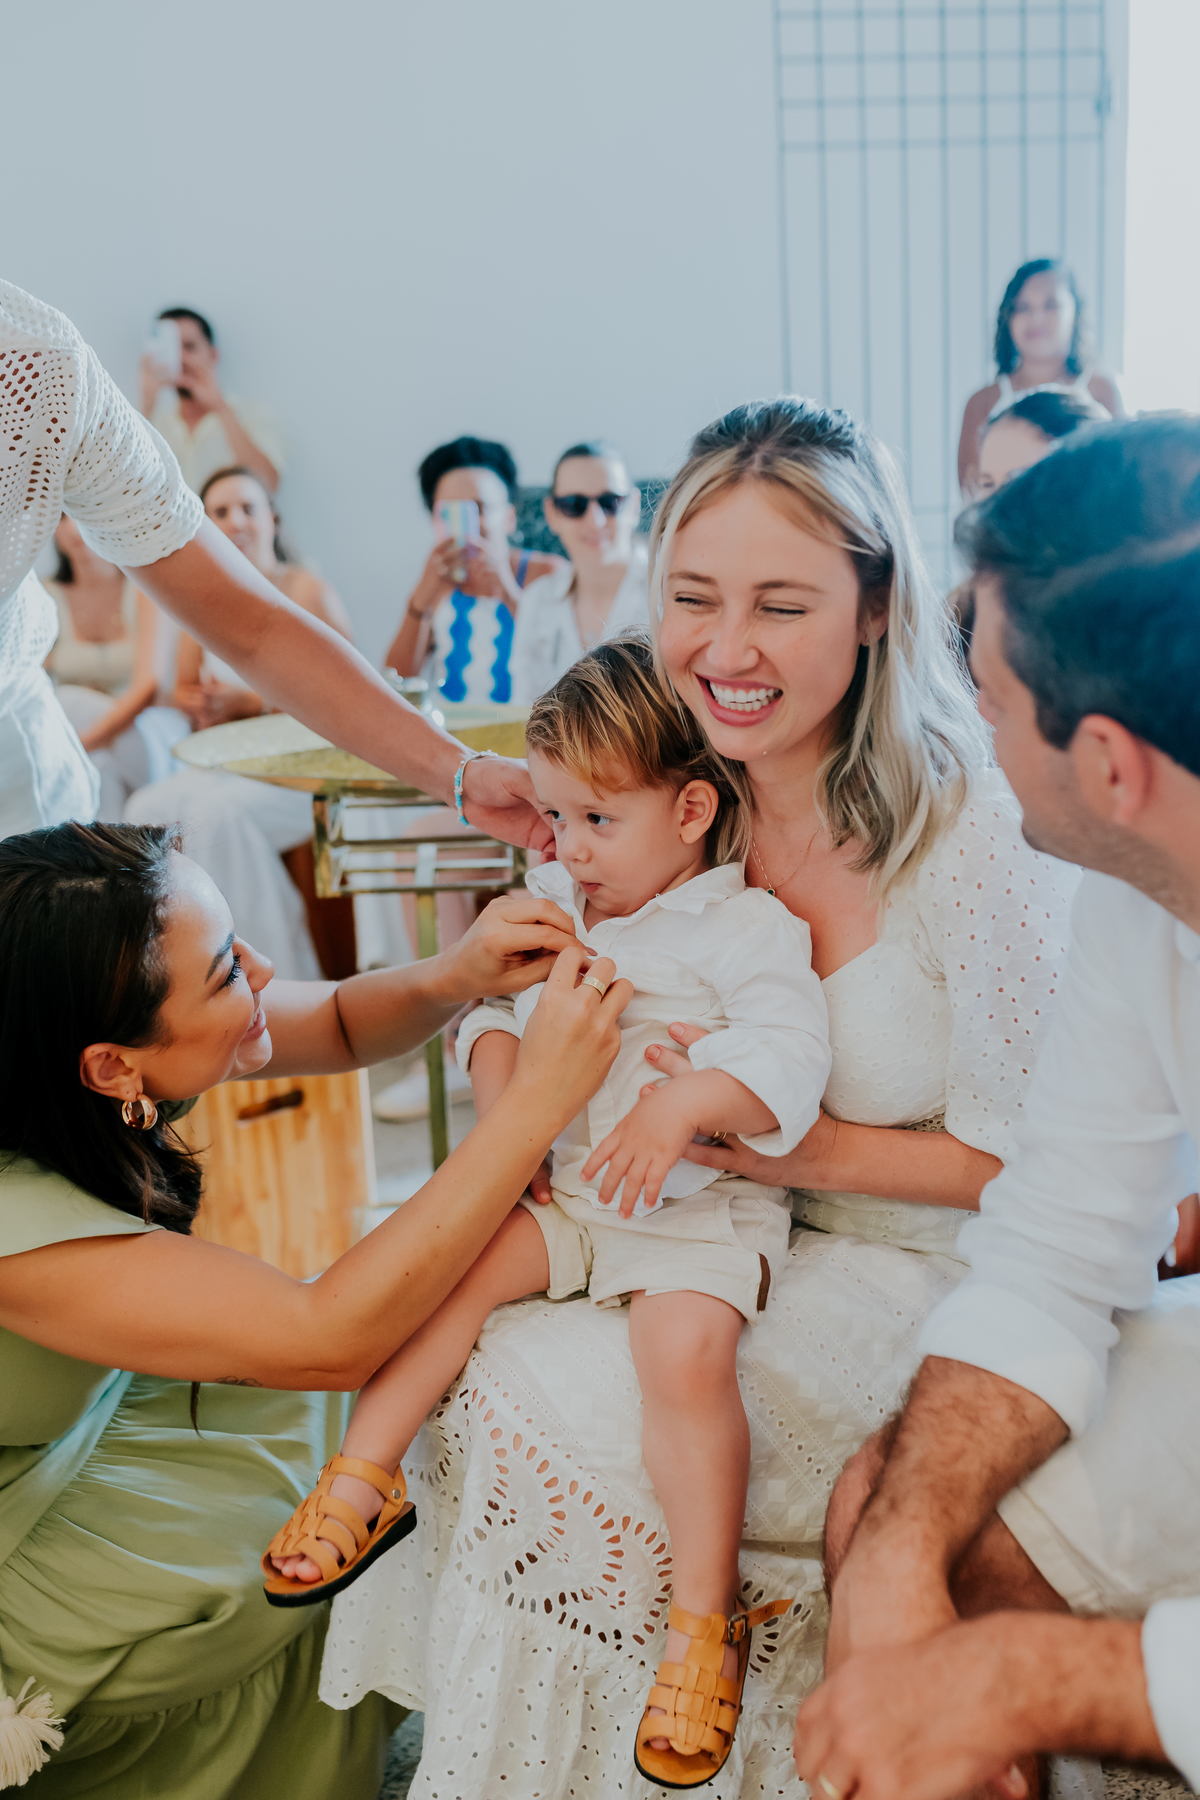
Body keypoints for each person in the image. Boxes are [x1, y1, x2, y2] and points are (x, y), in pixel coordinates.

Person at [320, 398, 1079, 1798]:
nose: (725, 652)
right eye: (692, 598)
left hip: (915, 1263)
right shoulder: (664, 782)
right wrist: (513, 1095)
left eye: (781, 606)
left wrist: (794, 1151)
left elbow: (1041, 1173)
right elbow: (510, 980)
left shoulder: (968, 829)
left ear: (876, 605)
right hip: (656, 1210)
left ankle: (708, 1672)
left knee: (568, 1395)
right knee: (475, 1340)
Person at [268, 636, 829, 1786]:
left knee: (685, 1358)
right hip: (564, 1197)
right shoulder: (556, 905)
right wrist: (504, 1113)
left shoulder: (745, 929)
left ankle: (703, 1622)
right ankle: (365, 1477)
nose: (567, 849)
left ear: (690, 811)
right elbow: (486, 1016)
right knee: (446, 1283)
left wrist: (686, 1105)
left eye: (596, 821)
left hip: (691, 1215)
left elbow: (791, 1057)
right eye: (558, 818)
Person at [0, 818, 627, 1796]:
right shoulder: (16, 1225)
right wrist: (533, 1107)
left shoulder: (57, 1037)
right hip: (30, 1537)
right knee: (322, 1497)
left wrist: (456, 973)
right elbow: (329, 1334)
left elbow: (333, 1020)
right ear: (112, 1067)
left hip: (96, 1415)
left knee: (367, 1445)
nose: (261, 971)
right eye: (226, 971)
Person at [795, 414, 1200, 1800]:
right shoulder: (1141, 886)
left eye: (993, 699)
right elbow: (1059, 1241)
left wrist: (1029, 1677)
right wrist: (901, 1553)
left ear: (1111, 764)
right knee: (888, 1515)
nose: (974, 733)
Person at [0, 278, 549, 853]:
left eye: (247, 511)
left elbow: (256, 630)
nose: (237, 523)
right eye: (223, 511)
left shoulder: (41, 371)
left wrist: (459, 773)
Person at [384, 436, 563, 703]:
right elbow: (394, 683)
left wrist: (507, 592)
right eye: (449, 512)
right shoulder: (434, 586)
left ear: (510, 517)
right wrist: (422, 601)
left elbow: (569, 664)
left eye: (480, 509)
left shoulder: (548, 574)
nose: (467, 525)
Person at [42, 516, 182, 817]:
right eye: (63, 517)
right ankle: (106, 848)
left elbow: (150, 686)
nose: (73, 527)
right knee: (99, 767)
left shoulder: (144, 588)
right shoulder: (46, 597)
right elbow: (32, 683)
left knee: (68, 700)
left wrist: (84, 743)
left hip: (146, 734)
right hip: (90, 745)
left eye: (81, 512)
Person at [957, 259, 1124, 496]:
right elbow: (972, 496)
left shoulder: (1102, 391)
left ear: (1075, 313)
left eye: (1050, 305)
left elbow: (1120, 481)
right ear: (1008, 317)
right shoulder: (981, 403)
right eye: (1023, 307)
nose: (1036, 317)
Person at [508, 440, 649, 703]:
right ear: (551, 513)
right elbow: (525, 709)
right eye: (574, 504)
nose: (595, 520)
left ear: (634, 505)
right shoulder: (536, 600)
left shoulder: (673, 589)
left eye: (610, 502)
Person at [140, 306, 286, 496]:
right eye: (170, 349)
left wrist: (220, 408)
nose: (181, 358)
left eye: (189, 347)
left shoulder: (255, 415)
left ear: (213, 355)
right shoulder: (152, 424)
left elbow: (267, 485)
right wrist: (147, 406)